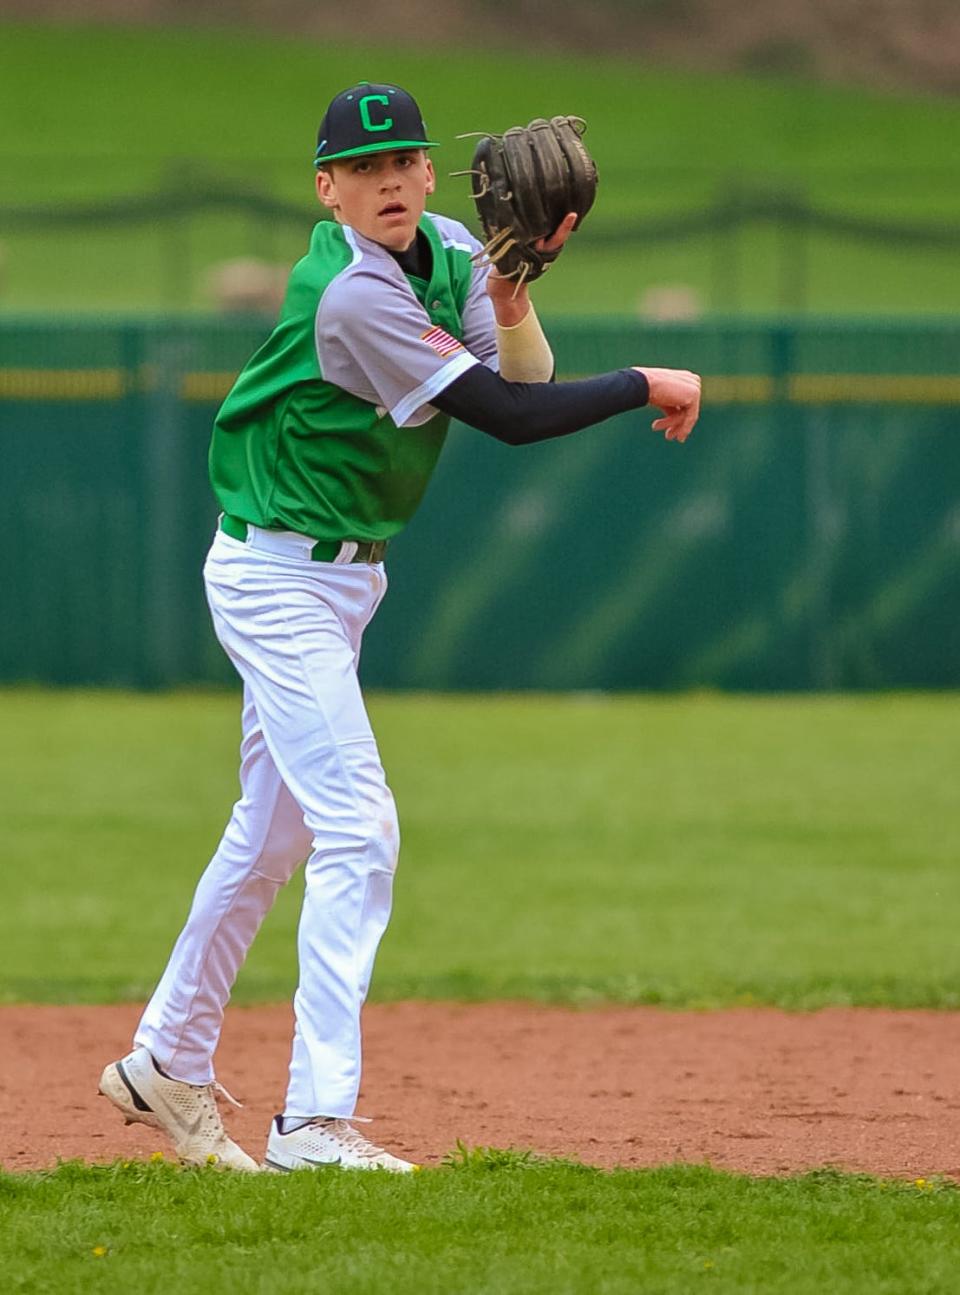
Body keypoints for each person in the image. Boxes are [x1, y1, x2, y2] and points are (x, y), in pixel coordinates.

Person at [98, 82, 701, 1173]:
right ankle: (312, 1120)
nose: (387, 181)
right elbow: (515, 420)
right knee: (359, 828)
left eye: (403, 161)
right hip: (277, 575)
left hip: (338, 580)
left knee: (273, 834)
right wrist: (647, 380)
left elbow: (529, 374)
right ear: (325, 189)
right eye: (362, 168)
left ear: (432, 173)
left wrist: (511, 288)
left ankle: (162, 1062)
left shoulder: (455, 247)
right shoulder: (351, 294)